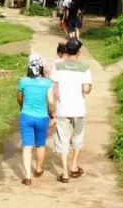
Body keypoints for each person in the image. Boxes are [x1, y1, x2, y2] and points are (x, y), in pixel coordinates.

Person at [50, 38, 92, 183]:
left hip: (63, 109)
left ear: (66, 51)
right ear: (79, 51)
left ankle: (65, 173)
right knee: (77, 137)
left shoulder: (58, 66)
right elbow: (86, 90)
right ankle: (74, 166)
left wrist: (51, 106)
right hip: (79, 109)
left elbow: (52, 86)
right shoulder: (85, 67)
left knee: (63, 139)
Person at [17, 53, 55, 186]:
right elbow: (50, 101)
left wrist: (22, 107)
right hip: (42, 118)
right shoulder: (47, 83)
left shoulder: (23, 81)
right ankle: (39, 169)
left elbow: (19, 98)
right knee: (40, 144)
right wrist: (52, 114)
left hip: (26, 117)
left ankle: (27, 177)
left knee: (27, 146)